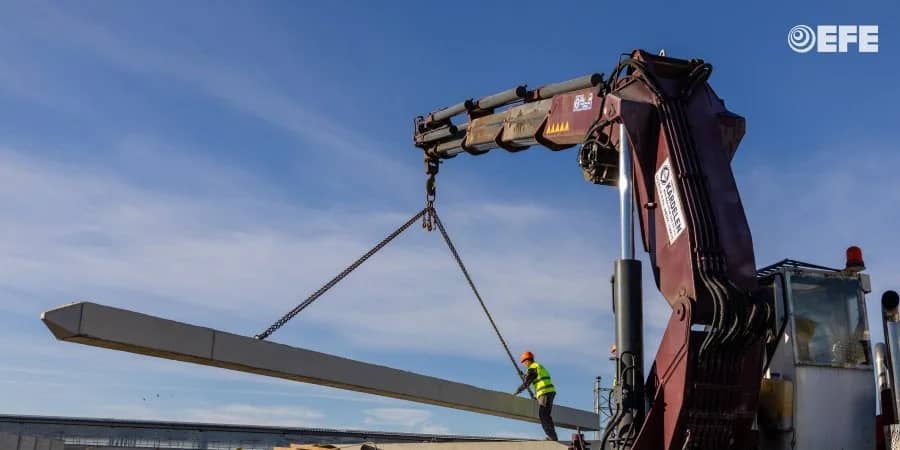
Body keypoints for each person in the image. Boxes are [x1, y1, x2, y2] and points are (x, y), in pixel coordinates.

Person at [513, 351, 558, 441]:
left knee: (543, 414)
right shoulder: (537, 367)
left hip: (545, 392)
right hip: (548, 392)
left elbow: (527, 382)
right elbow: (530, 377)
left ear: (527, 361)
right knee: (545, 414)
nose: (524, 364)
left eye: (524, 362)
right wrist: (523, 375)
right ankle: (552, 436)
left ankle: (552, 437)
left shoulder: (533, 368)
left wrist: (518, 390)